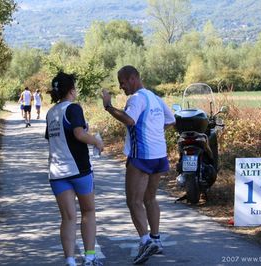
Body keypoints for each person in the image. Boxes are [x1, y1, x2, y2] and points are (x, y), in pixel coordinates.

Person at [102, 65, 175, 265]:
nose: (121, 87)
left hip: (141, 155)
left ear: (133, 79)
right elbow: (171, 120)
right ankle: (156, 239)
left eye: (123, 82)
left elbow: (130, 120)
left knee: (133, 201)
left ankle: (145, 241)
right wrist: (154, 131)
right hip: (159, 155)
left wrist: (108, 107)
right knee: (150, 198)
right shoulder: (155, 97)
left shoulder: (136, 98)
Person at [45, 71, 104, 266]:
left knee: (68, 218)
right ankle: (89, 257)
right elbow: (79, 134)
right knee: (88, 211)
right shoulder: (73, 108)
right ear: (71, 90)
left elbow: (53, 138)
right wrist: (96, 141)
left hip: (56, 173)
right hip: (79, 170)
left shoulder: (51, 112)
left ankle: (70, 261)